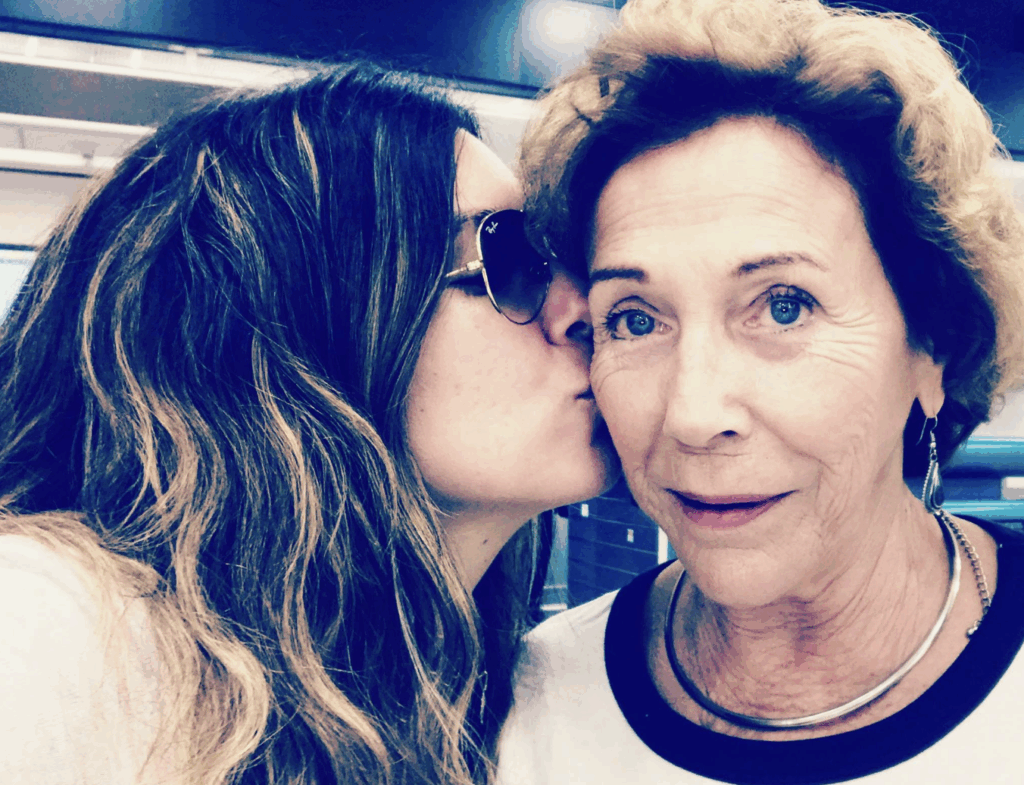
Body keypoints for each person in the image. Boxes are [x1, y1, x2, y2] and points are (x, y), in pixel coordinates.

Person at [0, 62, 615, 785]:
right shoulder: (49, 625)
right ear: (293, 325)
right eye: (505, 257)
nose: (588, 307)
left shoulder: (483, 697)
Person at [498, 0, 1024, 782]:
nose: (693, 414)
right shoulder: (532, 708)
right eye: (636, 319)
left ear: (934, 344)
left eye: (784, 305)